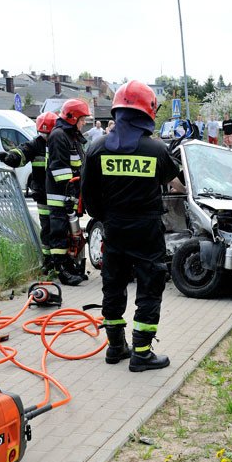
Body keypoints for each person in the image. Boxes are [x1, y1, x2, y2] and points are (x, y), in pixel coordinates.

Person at [82, 80, 179, 372]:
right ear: (147, 111)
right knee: (149, 288)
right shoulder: (157, 149)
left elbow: (88, 197)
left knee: (113, 286)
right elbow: (172, 181)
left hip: (114, 229)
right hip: (147, 230)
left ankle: (115, 347)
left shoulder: (97, 148)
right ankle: (142, 353)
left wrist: (108, 218)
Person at [0, 111, 58, 274]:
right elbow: (21, 154)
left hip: (59, 192)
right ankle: (48, 260)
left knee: (61, 227)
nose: (46, 137)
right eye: (43, 134)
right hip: (43, 193)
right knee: (47, 228)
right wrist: (8, 156)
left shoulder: (61, 142)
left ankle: (65, 260)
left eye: (48, 133)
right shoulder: (35, 144)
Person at [46, 98, 90, 286]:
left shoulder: (71, 137)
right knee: (59, 232)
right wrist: (70, 192)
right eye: (82, 119)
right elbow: (60, 169)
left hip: (69, 195)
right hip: (59, 195)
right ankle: (61, 271)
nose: (84, 123)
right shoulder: (58, 136)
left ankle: (69, 266)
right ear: (72, 117)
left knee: (70, 232)